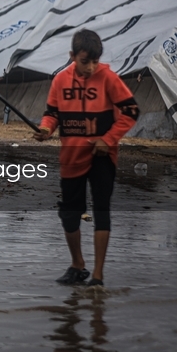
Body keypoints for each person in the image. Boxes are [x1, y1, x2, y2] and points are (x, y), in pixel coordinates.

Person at [34, 29, 139, 288]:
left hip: (102, 156)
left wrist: (109, 138)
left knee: (101, 211)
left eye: (95, 61)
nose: (91, 67)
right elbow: (52, 115)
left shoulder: (109, 78)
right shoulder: (59, 81)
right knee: (70, 214)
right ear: (72, 56)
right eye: (85, 61)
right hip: (71, 156)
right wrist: (45, 129)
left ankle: (98, 275)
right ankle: (77, 265)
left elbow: (131, 111)